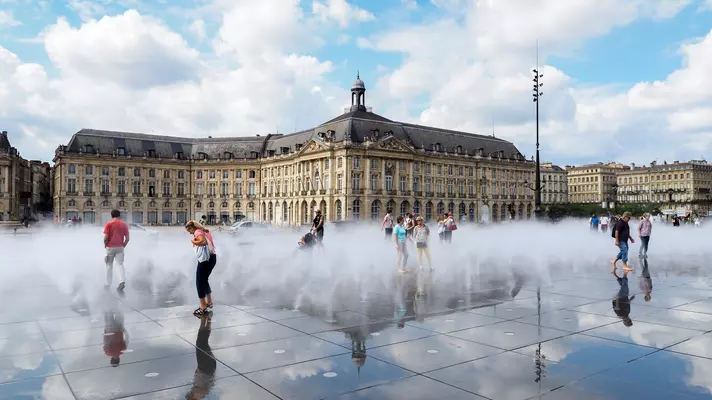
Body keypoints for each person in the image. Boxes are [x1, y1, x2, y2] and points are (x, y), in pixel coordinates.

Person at [185, 220, 217, 317]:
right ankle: (209, 302)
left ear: (192, 228)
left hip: (205, 260)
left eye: (189, 231)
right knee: (204, 280)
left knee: (199, 281)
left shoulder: (198, 232)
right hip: (212, 258)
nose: (190, 233)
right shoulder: (204, 231)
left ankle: (202, 306)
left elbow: (202, 242)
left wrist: (193, 241)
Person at [103, 209, 130, 291]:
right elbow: (128, 238)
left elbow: (105, 238)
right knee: (120, 265)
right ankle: (122, 282)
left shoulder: (109, 224)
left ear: (111, 216)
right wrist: (123, 245)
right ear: (119, 215)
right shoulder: (124, 224)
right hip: (120, 247)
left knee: (109, 266)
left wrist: (105, 245)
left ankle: (108, 284)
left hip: (110, 247)